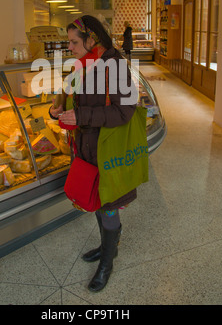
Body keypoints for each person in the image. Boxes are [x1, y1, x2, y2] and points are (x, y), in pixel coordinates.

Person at [49, 15, 137, 292]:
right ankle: (106, 246)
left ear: (92, 39)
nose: (70, 48)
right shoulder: (81, 66)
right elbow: (70, 97)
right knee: (98, 201)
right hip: (87, 147)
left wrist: (82, 115)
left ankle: (107, 263)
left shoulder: (115, 66)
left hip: (108, 149)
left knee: (109, 205)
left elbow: (126, 110)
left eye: (75, 42)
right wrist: (56, 109)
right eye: (69, 42)